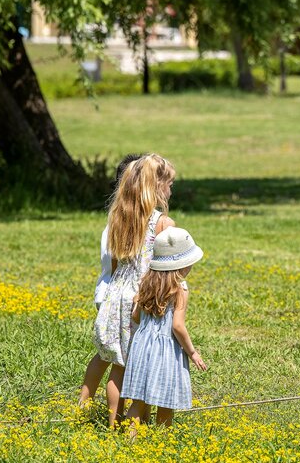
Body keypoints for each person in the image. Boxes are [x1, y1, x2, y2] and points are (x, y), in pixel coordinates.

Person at [93, 153, 176, 426]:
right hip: (144, 297)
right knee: (144, 363)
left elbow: (115, 262)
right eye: (169, 184)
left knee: (119, 365)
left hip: (118, 294)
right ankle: (139, 421)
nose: (171, 189)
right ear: (157, 186)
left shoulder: (120, 216)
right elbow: (167, 266)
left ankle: (113, 425)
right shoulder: (163, 223)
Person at [122, 227, 207, 434]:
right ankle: (163, 439)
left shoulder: (145, 282)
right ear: (183, 265)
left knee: (138, 401)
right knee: (166, 402)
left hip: (141, 346)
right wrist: (192, 352)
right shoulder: (180, 289)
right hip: (166, 350)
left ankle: (128, 442)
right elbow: (177, 325)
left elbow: (136, 316)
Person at [78, 153, 142, 407]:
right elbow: (119, 264)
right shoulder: (125, 221)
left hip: (105, 293)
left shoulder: (116, 216)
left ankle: (84, 402)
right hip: (115, 296)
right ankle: (116, 415)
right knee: (120, 360)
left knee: (105, 355)